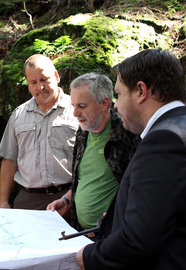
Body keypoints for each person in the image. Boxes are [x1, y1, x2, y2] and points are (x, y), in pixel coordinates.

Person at [76, 49, 186, 270]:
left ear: (141, 91)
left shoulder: (164, 140)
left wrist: (89, 256)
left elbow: (139, 239)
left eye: (118, 94)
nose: (115, 105)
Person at [47, 73, 140, 234]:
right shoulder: (84, 132)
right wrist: (66, 200)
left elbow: (140, 189)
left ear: (104, 103)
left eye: (82, 106)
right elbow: (84, 179)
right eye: (73, 105)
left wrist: (117, 220)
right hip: (81, 233)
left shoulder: (127, 134)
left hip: (113, 237)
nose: (75, 113)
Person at [0, 54, 79, 211]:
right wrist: (3, 202)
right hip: (28, 201)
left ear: (56, 76)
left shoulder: (76, 109)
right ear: (28, 85)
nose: (40, 87)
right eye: (33, 82)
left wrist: (70, 197)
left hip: (68, 197)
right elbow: (9, 160)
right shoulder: (18, 115)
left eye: (44, 80)